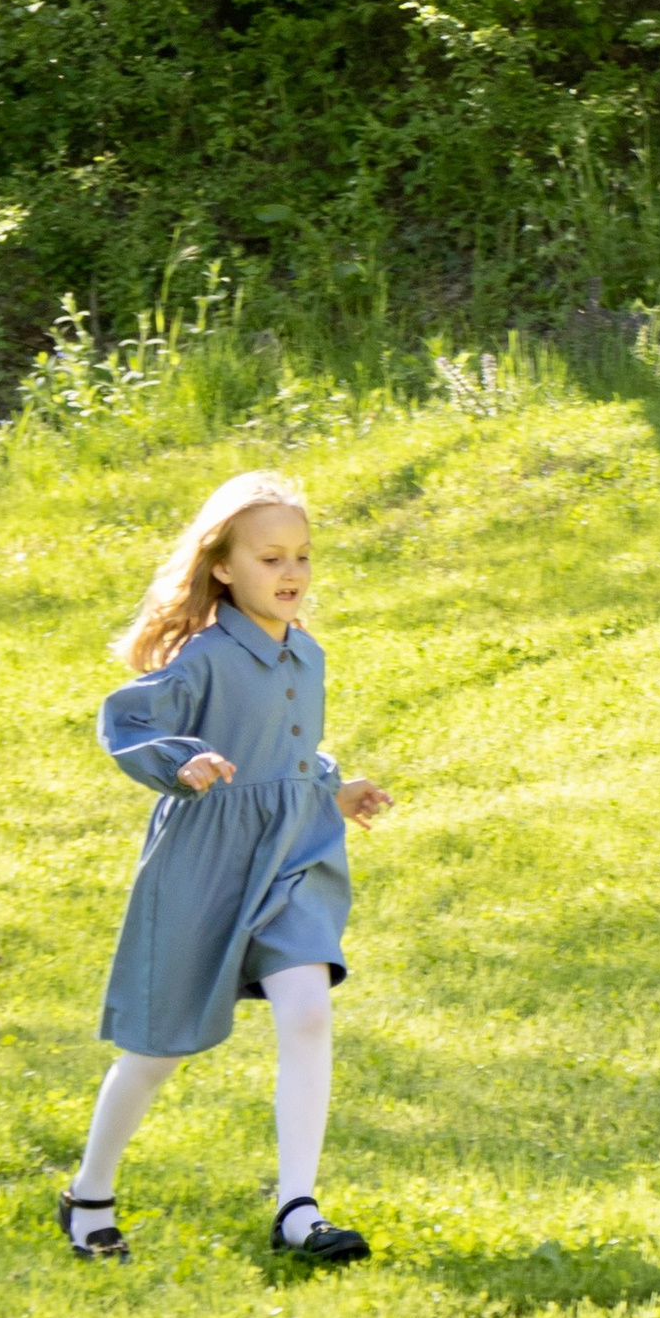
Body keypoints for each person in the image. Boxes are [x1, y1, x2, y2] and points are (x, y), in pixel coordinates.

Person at [59, 469, 391, 1266]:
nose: (291, 573)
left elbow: (290, 753)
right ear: (223, 567)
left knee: (307, 1010)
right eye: (271, 559)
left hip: (294, 853)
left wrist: (333, 788)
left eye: (302, 556)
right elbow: (127, 718)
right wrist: (183, 761)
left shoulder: (306, 655)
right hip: (206, 861)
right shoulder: (202, 657)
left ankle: (298, 1208)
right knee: (161, 1047)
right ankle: (89, 1194)